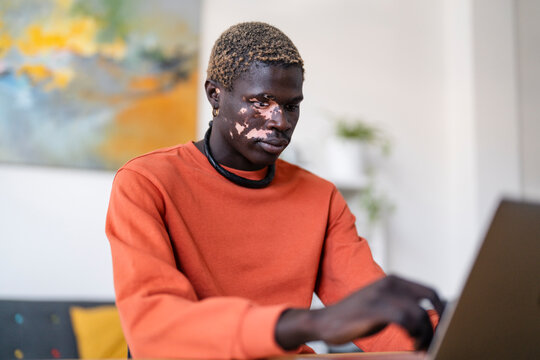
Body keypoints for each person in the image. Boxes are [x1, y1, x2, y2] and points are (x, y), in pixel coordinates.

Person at [106, 22, 443, 359]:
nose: (280, 121)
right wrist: (311, 323)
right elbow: (153, 329)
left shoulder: (320, 198)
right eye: (261, 101)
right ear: (215, 94)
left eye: (291, 106)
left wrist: (448, 336)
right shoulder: (147, 182)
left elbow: (379, 319)